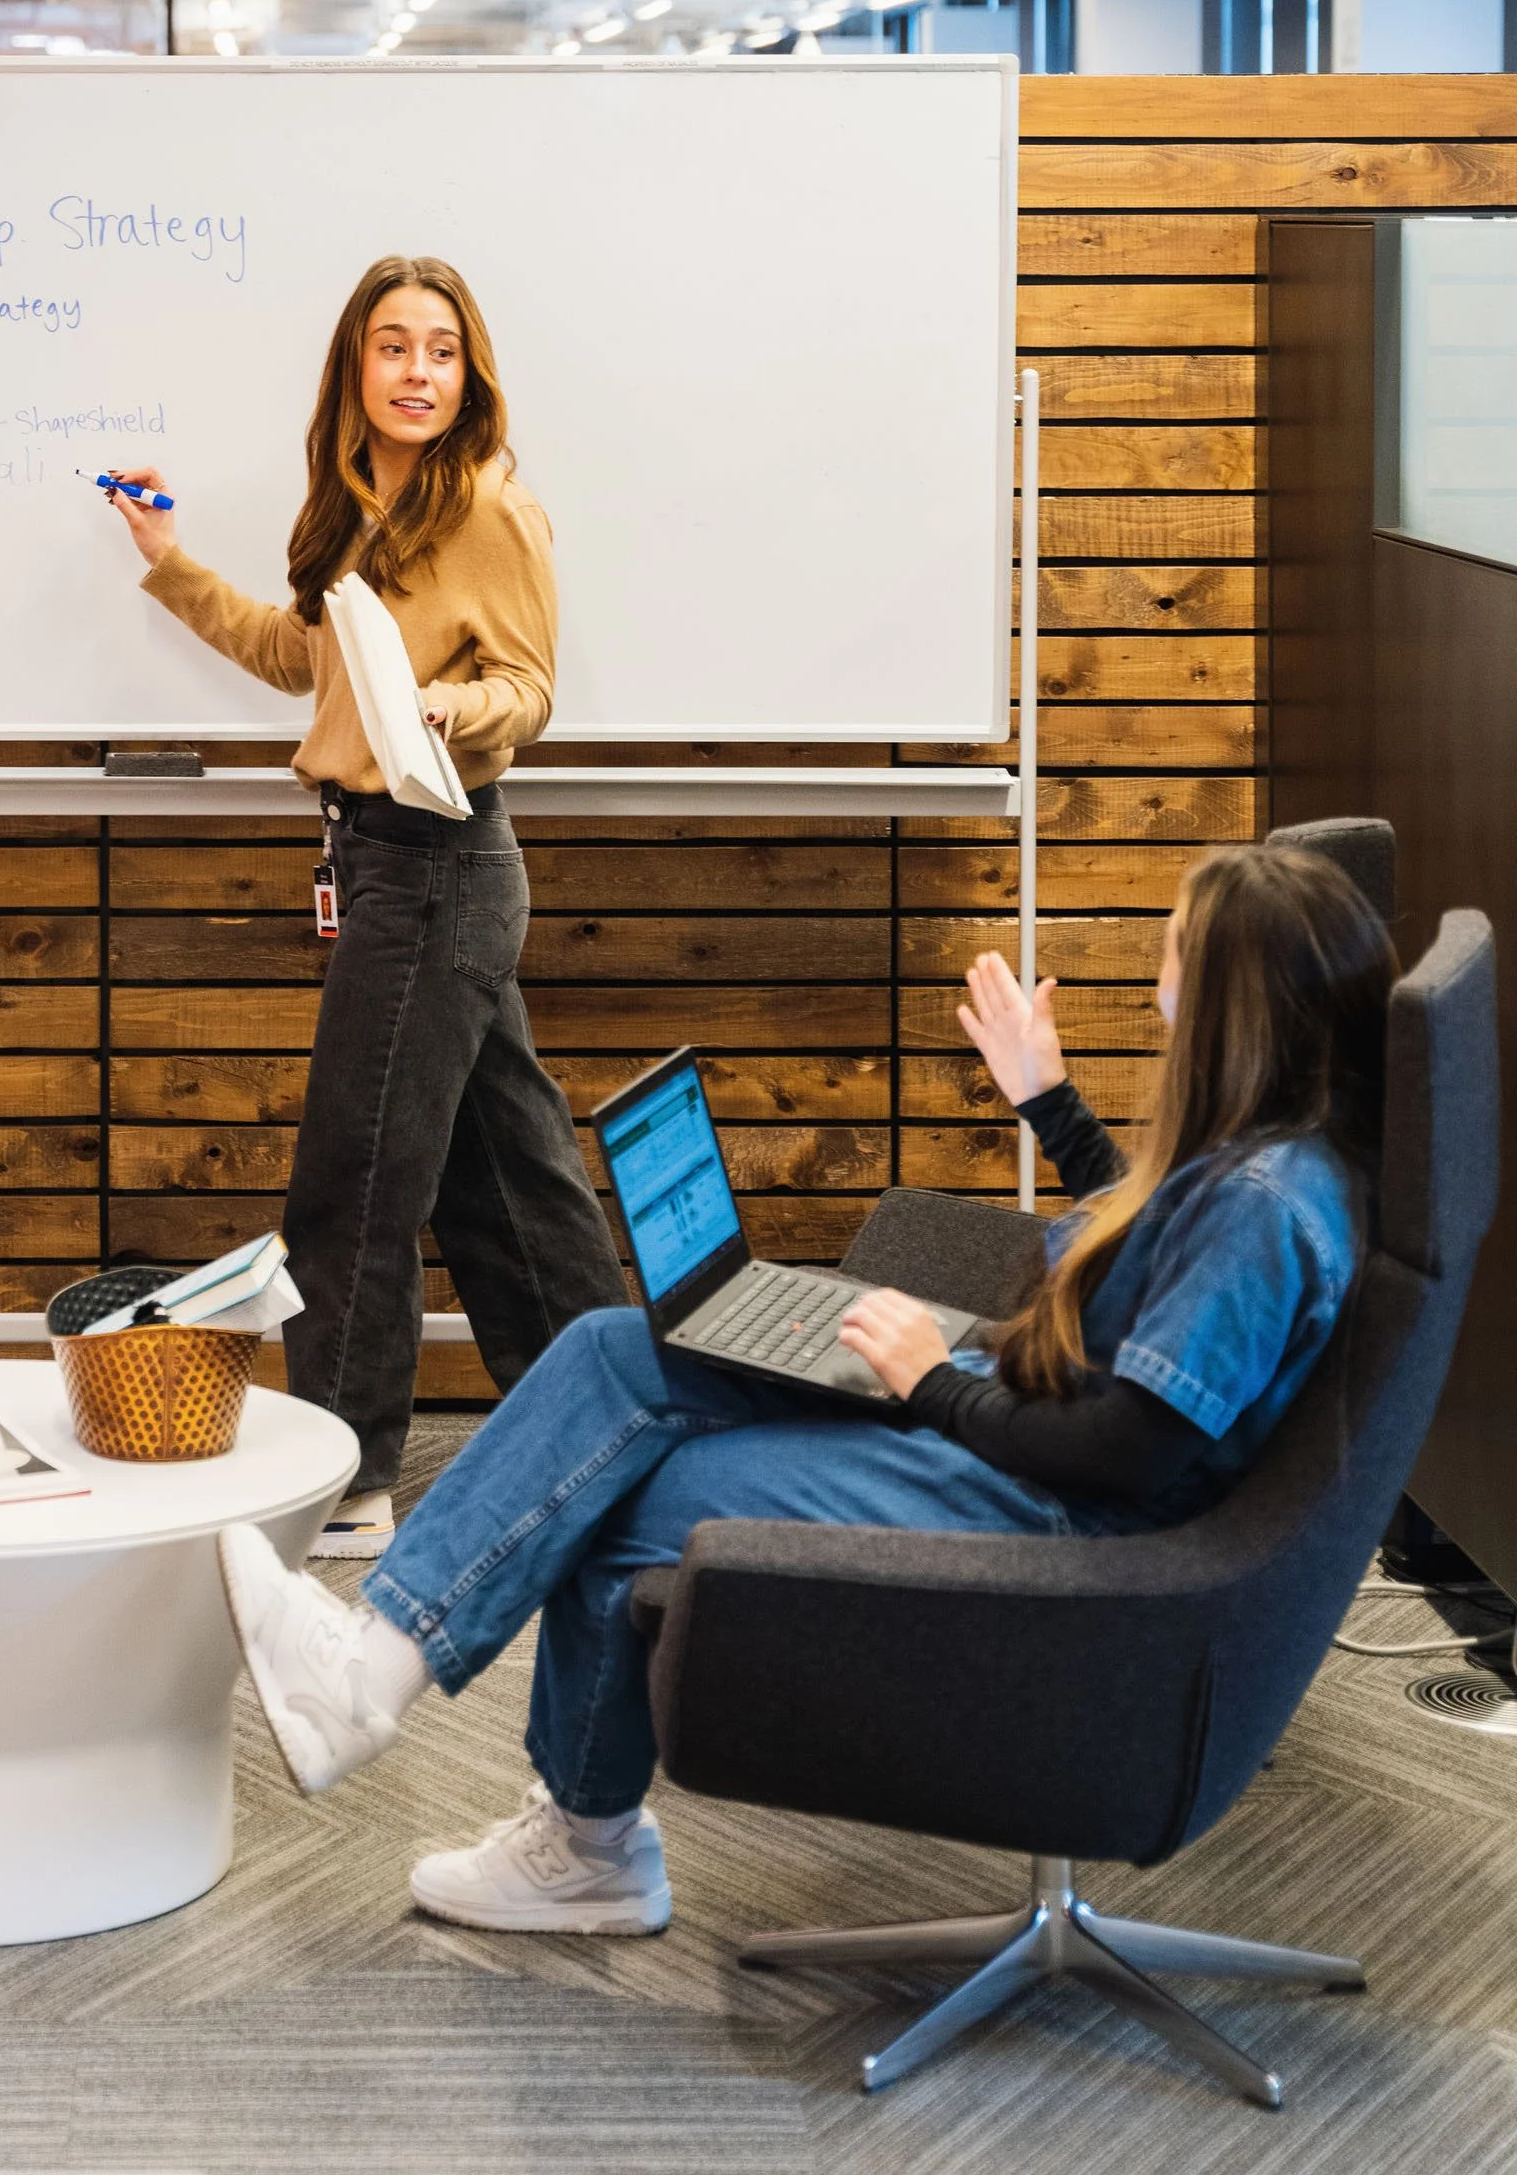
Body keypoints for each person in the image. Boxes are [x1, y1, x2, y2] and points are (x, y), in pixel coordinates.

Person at [213, 842, 1392, 1934]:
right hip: (1011, 1414)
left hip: (1056, 1510)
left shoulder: (1265, 1209)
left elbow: (1128, 1454)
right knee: (616, 1352)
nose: (1154, 984)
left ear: (1234, 1002)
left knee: (629, 1500)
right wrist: (1047, 1102)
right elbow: (1143, 1245)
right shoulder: (1265, 1147)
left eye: (1173, 955)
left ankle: (582, 1846)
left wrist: (931, 1386)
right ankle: (378, 1668)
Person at [100, 255, 626, 1554]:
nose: (417, 373)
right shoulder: (343, 507)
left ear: (470, 372)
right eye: (393, 348)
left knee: (354, 1182)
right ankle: (619, 1429)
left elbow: (530, 686)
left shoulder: (489, 508)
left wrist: (458, 705)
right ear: (357, 368)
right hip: (379, 859)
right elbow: (302, 664)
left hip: (441, 857)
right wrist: (170, 563)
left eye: (440, 351)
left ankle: (347, 1480)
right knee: (506, 1180)